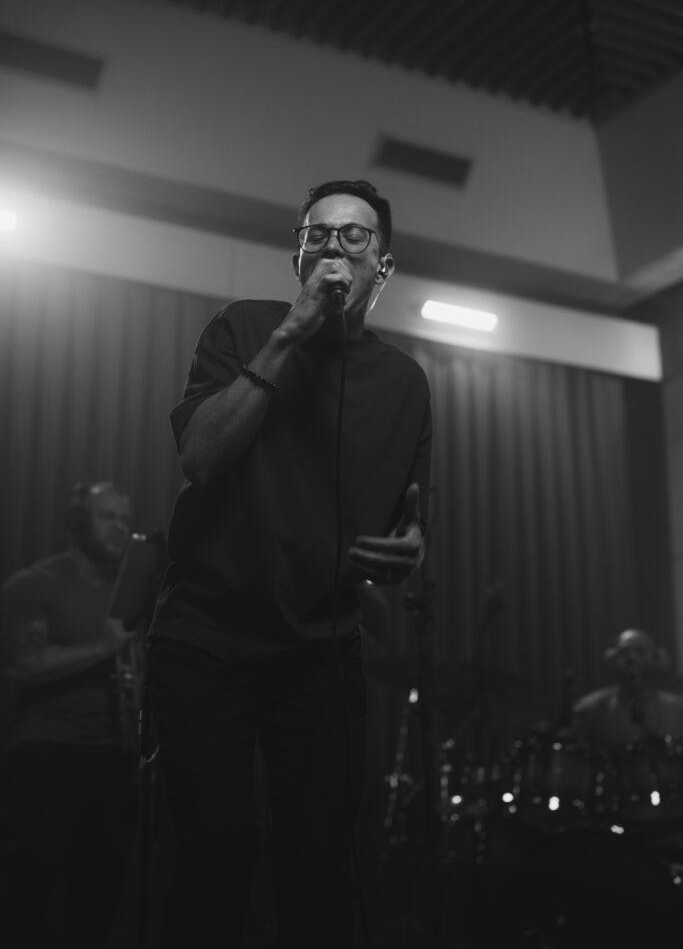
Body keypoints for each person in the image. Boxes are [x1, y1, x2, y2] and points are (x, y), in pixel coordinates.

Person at [148, 178, 433, 948]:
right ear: (297, 256)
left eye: (354, 235)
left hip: (320, 648)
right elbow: (201, 457)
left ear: (383, 266)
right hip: (207, 636)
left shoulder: (404, 383)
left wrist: (409, 550)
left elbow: (410, 521)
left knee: (319, 867)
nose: (334, 245)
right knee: (215, 854)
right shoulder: (245, 325)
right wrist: (290, 335)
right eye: (318, 234)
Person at [0, 480, 139, 949]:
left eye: (125, 519)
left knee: (100, 893)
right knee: (32, 886)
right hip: (47, 751)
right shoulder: (36, 583)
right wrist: (102, 647)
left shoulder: (128, 593)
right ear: (79, 523)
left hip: (114, 754)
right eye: (108, 516)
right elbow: (22, 665)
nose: (120, 528)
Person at [572, 628, 683, 753]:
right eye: (624, 652)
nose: (631, 658)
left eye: (639, 651)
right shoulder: (589, 710)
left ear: (657, 658)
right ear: (611, 659)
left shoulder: (678, 709)